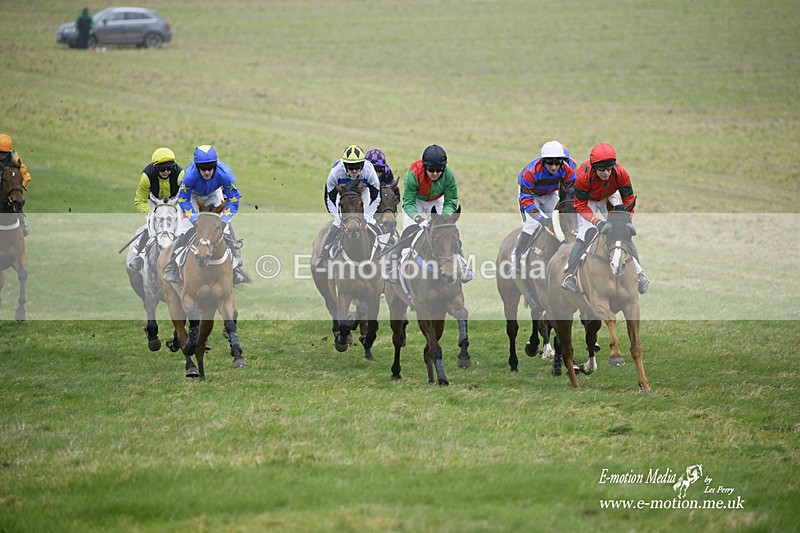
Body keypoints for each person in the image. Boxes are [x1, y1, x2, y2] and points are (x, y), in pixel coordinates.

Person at [561, 142, 649, 294]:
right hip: (589, 201)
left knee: (623, 232)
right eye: (602, 170)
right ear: (594, 167)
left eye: (609, 169)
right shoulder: (583, 176)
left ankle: (640, 274)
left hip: (610, 195)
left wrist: (625, 219)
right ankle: (570, 275)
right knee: (585, 234)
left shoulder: (620, 173)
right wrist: (597, 222)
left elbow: (628, 199)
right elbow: (581, 206)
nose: (606, 173)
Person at [163, 145, 250, 285]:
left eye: (210, 168)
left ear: (215, 165)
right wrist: (194, 219)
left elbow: (234, 200)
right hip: (192, 195)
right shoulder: (189, 176)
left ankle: (236, 266)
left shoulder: (225, 174)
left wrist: (223, 221)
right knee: (184, 230)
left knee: (225, 228)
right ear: (197, 167)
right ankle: (171, 267)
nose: (207, 172)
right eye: (203, 168)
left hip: (213, 193)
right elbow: (183, 199)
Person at [388, 144, 472, 281]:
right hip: (415, 201)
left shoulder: (448, 175)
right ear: (425, 166)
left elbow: (451, 200)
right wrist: (418, 219)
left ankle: (462, 263)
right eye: (431, 170)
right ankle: (393, 266)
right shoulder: (413, 175)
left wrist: (445, 216)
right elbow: (408, 203)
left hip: (436, 200)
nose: (435, 174)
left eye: (439, 171)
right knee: (410, 231)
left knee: (448, 230)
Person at [511, 140, 576, 273]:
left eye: (557, 162)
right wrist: (541, 218)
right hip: (530, 196)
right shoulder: (530, 173)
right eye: (550, 163)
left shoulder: (567, 169)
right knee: (532, 225)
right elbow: (526, 201)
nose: (554, 167)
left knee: (558, 222)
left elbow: (570, 194)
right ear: (543, 161)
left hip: (550, 193)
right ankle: (517, 257)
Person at [314, 145, 382, 268]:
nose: (354, 170)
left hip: (363, 191)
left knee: (372, 222)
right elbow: (329, 199)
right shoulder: (335, 172)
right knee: (336, 224)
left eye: (357, 167)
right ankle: (324, 255)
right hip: (343, 192)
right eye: (350, 167)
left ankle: (384, 251)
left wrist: (366, 217)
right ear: (345, 165)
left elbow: (377, 198)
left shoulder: (369, 170)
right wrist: (338, 218)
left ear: (362, 165)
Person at [127, 147, 185, 272]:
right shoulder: (146, 177)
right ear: (155, 168)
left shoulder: (180, 174)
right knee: (152, 225)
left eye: (169, 168)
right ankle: (140, 255)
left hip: (175, 202)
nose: (166, 172)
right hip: (153, 202)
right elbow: (140, 200)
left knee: (181, 225)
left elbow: (187, 194)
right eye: (162, 169)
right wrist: (150, 213)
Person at [0, 133, 33, 237]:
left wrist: (18, 189)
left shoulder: (14, 156)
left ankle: (23, 225)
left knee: (17, 199)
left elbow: (26, 176)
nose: (2, 156)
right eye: (0, 153)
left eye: (5, 154)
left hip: (9, 183)